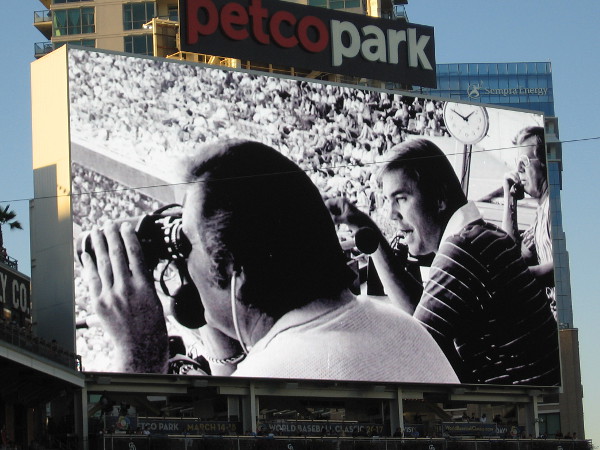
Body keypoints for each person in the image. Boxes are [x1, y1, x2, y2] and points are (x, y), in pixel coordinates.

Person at [81, 139, 458, 383]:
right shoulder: (400, 326)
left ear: (230, 269)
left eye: (187, 243)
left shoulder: (271, 385)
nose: (184, 259)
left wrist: (140, 362)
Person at [327, 138, 559, 385]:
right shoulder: (483, 235)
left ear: (439, 198)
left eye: (401, 198)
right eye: (388, 201)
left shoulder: (462, 250)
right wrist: (364, 226)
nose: (391, 214)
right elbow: (419, 314)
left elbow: (415, 352)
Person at [502, 126, 556, 319]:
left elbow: (565, 266)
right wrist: (510, 198)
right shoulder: (542, 209)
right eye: (517, 163)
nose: (519, 170)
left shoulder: (556, 205)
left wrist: (517, 277)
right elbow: (515, 254)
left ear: (546, 162)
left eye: (524, 162)